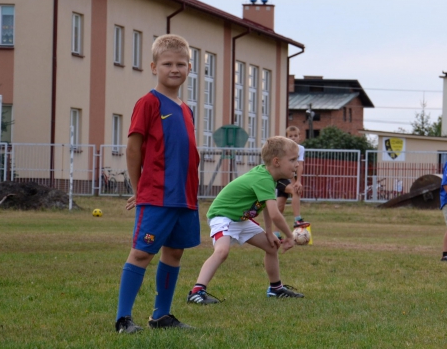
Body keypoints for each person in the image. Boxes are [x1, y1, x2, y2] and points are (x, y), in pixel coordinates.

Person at [115, 34, 200, 334]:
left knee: (174, 253)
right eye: (167, 63)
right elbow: (133, 149)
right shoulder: (148, 103)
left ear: (189, 67)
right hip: (157, 195)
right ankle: (123, 318)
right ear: (154, 66)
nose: (174, 69)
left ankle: (161, 316)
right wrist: (139, 190)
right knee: (142, 253)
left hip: (185, 197)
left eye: (181, 63)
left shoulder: (186, 109)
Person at [186, 136, 304, 305]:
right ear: (277, 161)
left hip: (240, 219)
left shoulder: (269, 177)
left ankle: (276, 289)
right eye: (292, 160)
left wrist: (270, 233)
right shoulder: (264, 179)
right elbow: (275, 214)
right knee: (222, 251)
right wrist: (290, 236)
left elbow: (265, 207)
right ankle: (196, 292)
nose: (297, 164)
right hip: (223, 215)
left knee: (271, 246)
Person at [276, 126, 310, 229]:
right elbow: (286, 167)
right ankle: (297, 220)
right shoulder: (284, 149)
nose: (293, 138)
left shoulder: (300, 149)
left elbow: (299, 165)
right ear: (286, 138)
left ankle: (275, 234)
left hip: (289, 177)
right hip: (280, 177)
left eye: (295, 136)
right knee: (295, 190)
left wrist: (298, 181)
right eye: (290, 136)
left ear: (300, 137)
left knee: (280, 206)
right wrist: (293, 182)